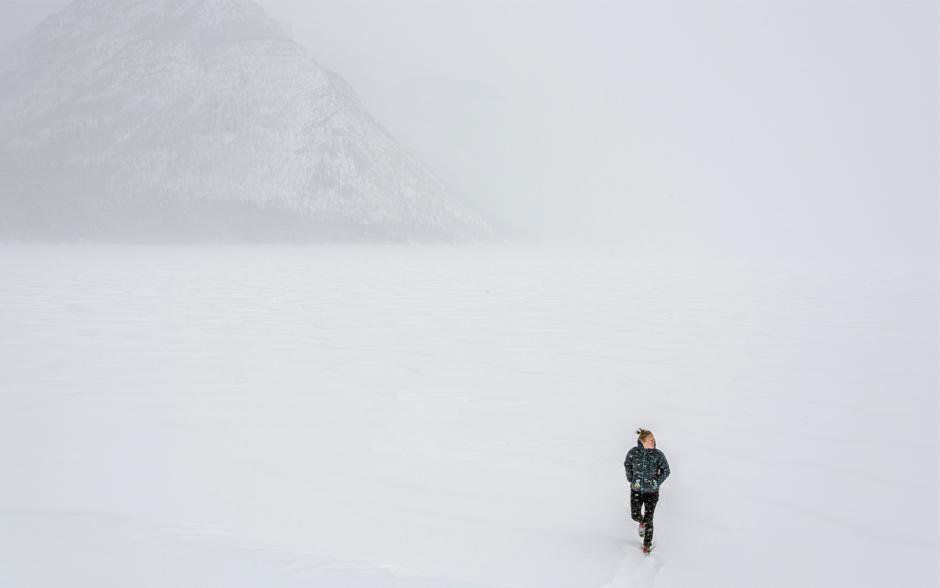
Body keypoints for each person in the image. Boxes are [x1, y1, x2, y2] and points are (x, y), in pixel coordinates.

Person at [624, 428, 670, 553]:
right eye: (650, 440)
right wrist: (631, 478)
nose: (653, 442)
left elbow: (666, 470)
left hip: (652, 492)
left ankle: (647, 544)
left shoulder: (658, 455)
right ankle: (641, 522)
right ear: (642, 441)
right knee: (635, 515)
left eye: (653, 440)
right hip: (636, 490)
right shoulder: (633, 453)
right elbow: (627, 464)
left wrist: (656, 482)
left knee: (649, 517)